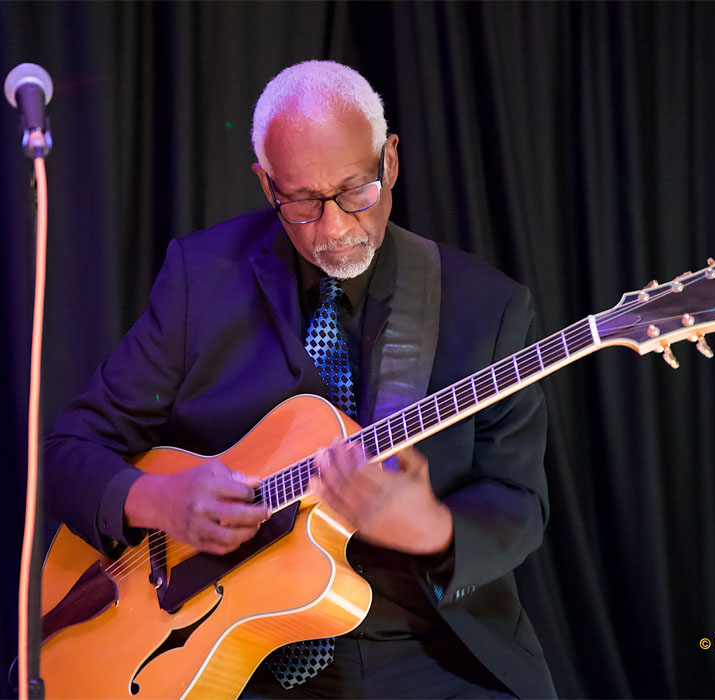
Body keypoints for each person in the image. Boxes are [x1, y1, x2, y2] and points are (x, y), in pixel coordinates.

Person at [45, 60, 555, 699]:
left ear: (389, 160)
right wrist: (159, 501)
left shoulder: (487, 308)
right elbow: (69, 452)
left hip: (427, 650)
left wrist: (432, 529)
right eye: (304, 202)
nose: (335, 227)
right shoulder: (200, 282)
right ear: (267, 185)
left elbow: (520, 502)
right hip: (231, 659)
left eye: (354, 192)